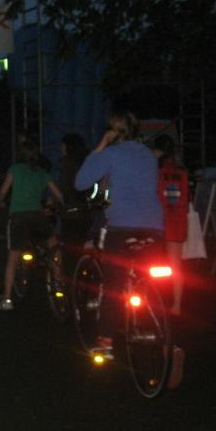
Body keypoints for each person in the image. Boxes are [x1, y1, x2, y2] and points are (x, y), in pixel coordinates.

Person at [74, 110, 164, 356]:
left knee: (114, 283)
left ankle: (106, 342)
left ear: (113, 131)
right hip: (155, 226)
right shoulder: (148, 155)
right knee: (147, 273)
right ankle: (154, 318)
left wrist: (101, 145)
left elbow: (80, 182)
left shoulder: (111, 153)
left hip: (123, 226)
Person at [0, 136, 64, 311]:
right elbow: (59, 195)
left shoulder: (15, 169)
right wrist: (56, 205)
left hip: (18, 218)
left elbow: (3, 191)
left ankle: (7, 299)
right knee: (53, 246)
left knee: (13, 257)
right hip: (37, 216)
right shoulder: (42, 173)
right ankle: (57, 283)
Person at [153, 136, 189, 316]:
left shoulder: (155, 172)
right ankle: (177, 304)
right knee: (176, 265)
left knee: (152, 262)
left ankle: (155, 299)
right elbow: (185, 199)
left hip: (157, 221)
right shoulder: (182, 173)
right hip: (177, 221)